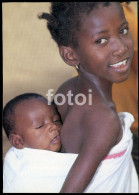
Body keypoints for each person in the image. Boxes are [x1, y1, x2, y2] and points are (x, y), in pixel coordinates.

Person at [38, 2, 138, 193]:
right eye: (101, 40)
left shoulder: (65, 90)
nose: (121, 47)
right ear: (70, 55)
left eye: (123, 30)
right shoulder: (105, 121)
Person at [3, 93, 62, 192]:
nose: (53, 126)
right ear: (18, 141)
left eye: (56, 120)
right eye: (40, 126)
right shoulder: (25, 174)